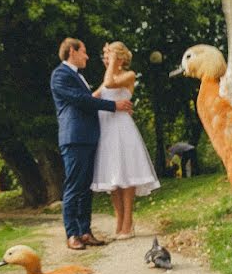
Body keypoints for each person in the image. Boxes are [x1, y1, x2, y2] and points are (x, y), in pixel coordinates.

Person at [51, 38, 133, 250]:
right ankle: (72, 234)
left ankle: (85, 232)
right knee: (73, 187)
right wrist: (113, 105)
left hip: (88, 137)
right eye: (84, 52)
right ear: (72, 51)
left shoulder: (79, 77)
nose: (87, 56)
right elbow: (83, 100)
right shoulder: (60, 75)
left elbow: (93, 95)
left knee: (85, 188)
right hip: (74, 137)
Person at [91, 41, 160, 238]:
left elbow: (110, 84)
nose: (105, 59)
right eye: (106, 57)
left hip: (122, 129)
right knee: (113, 178)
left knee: (127, 176)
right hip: (107, 131)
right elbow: (92, 98)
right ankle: (119, 220)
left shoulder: (129, 75)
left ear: (120, 58)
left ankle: (128, 221)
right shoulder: (106, 78)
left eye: (109, 56)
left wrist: (112, 62)